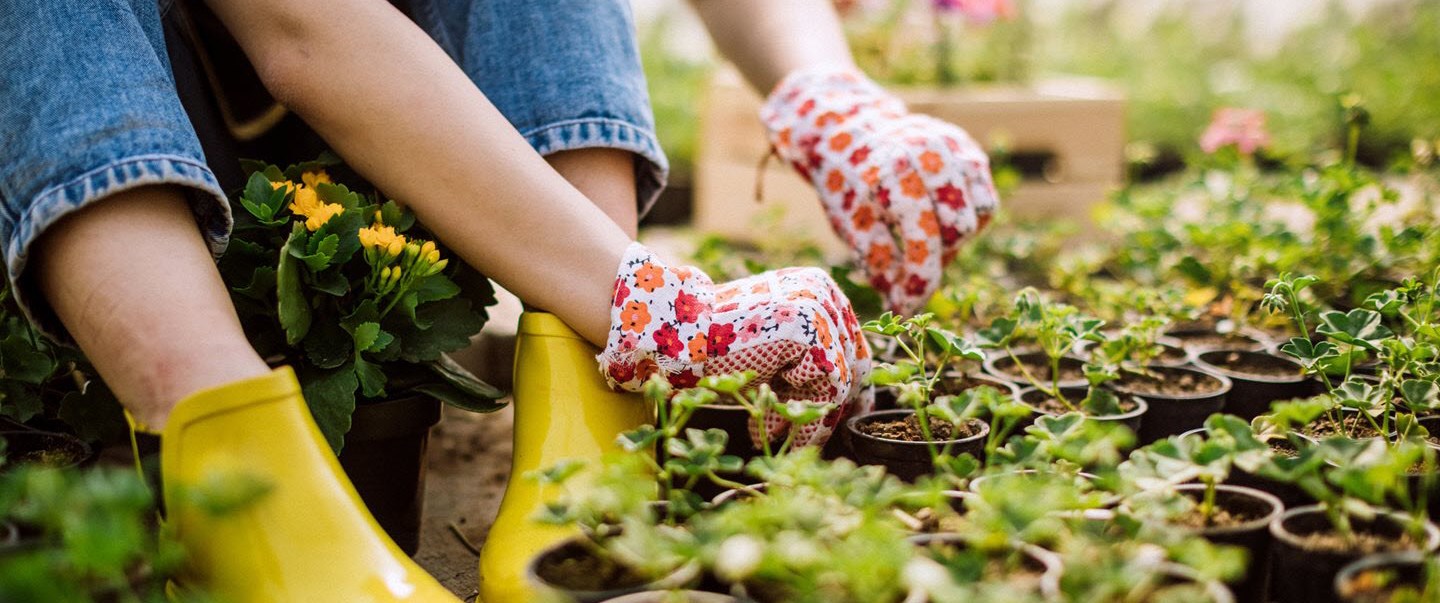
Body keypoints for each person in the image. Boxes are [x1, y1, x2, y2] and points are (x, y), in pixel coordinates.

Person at [0, 0, 997, 600]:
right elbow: (299, 28)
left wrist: (827, 95)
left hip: (402, 137)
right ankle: (237, 496)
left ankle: (588, 412)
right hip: (108, 151)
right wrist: (664, 308)